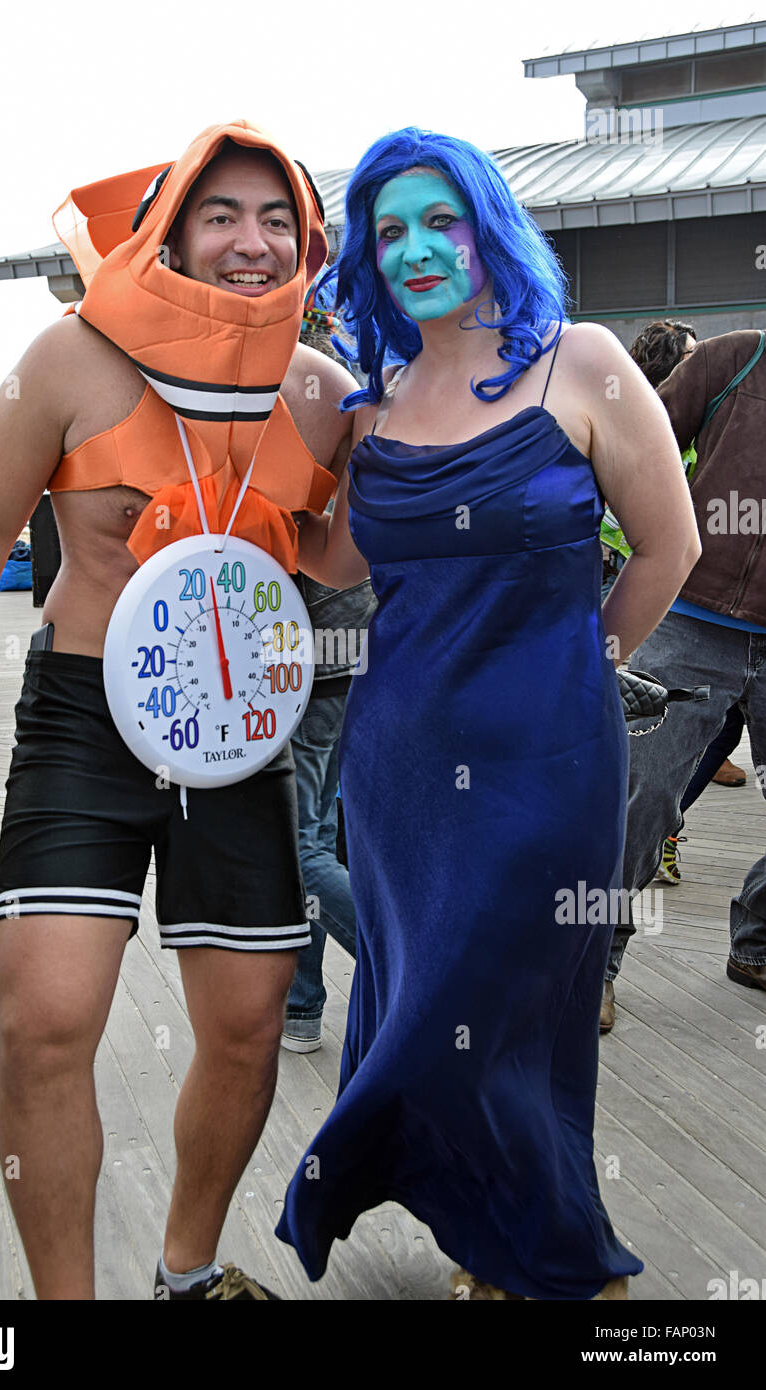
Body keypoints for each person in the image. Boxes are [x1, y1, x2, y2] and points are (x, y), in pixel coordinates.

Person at [0, 121, 358, 1301]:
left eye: (277, 221)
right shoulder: (70, 357)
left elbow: (346, 562)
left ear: (305, 242)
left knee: (251, 1025)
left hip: (243, 739)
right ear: (173, 226)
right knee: (43, 1022)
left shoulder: (319, 390)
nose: (251, 243)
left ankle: (188, 1270)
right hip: (83, 716)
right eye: (222, 215)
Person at [276, 127, 700, 1300]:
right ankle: (493, 1245)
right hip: (401, 769)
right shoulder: (378, 405)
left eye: (438, 218)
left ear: (487, 226)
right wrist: (241, 471)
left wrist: (579, 665)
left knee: (502, 1008)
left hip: (549, 764)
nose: (414, 246)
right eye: (388, 230)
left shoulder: (587, 363)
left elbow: (671, 547)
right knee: (433, 1005)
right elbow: (329, 555)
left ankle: (563, 1265)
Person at [606, 325, 766, 1004]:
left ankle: (755, 942)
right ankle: (593, 963)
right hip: (690, 618)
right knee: (639, 795)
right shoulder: (734, 357)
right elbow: (636, 449)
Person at [283, 276, 375, 1053]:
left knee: (297, 839)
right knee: (320, 825)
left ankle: (411, 968)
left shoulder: (288, 387)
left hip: (302, 637)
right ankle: (301, 1006)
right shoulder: (354, 380)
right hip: (356, 636)